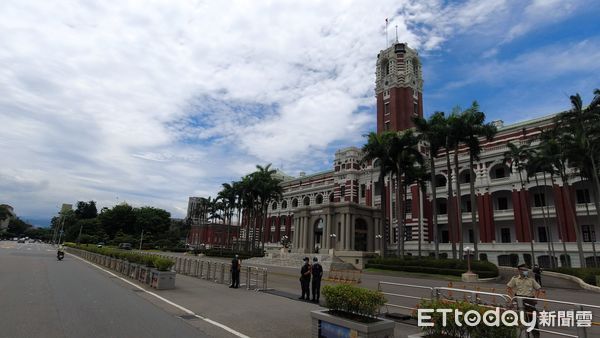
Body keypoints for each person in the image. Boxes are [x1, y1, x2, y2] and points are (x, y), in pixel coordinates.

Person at [507, 264, 542, 338]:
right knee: (521, 320)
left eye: (526, 270)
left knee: (533, 320)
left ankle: (536, 335)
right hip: (520, 300)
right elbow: (509, 288)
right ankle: (522, 335)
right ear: (519, 270)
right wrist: (513, 297)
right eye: (524, 270)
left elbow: (538, 289)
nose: (526, 271)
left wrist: (536, 298)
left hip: (530, 300)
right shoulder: (515, 279)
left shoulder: (531, 279)